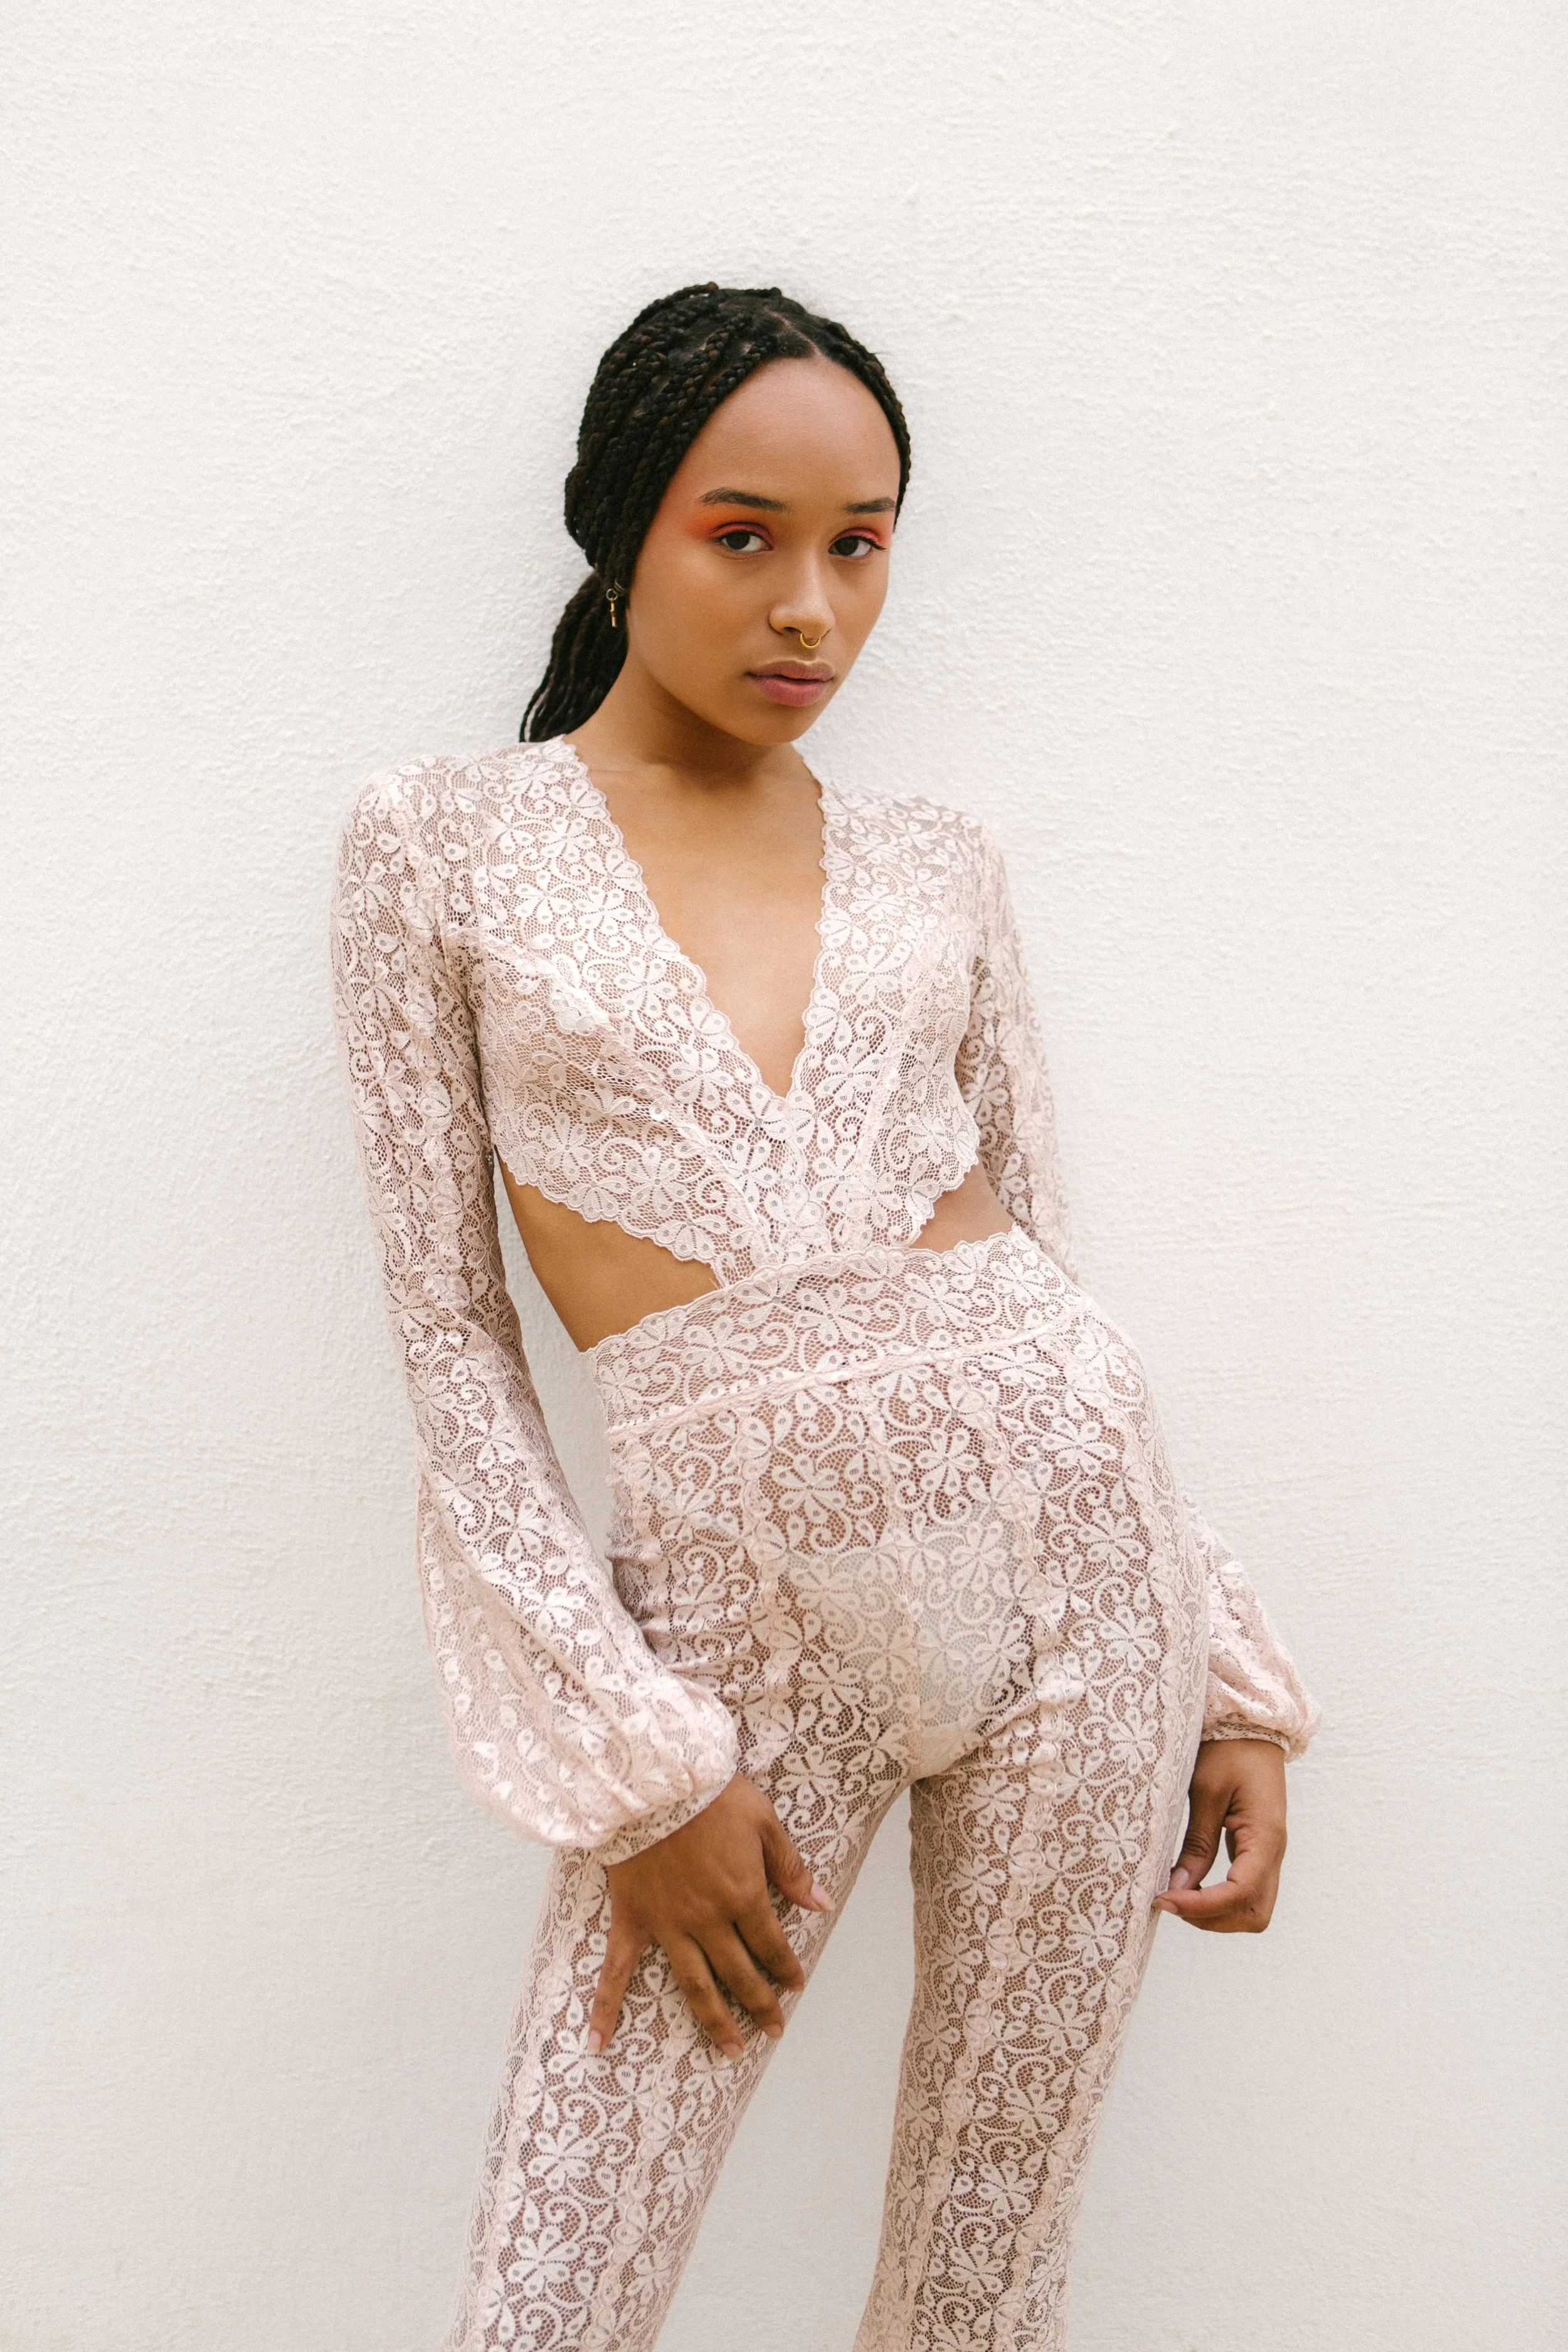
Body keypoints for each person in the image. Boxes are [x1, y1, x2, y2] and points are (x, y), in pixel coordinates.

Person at [332, 282, 1318, 2352]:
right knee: (548, 2295)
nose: (810, 606)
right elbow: (451, 1342)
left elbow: (1045, 1254)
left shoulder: (934, 861)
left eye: (859, 543)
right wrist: (633, 1764)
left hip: (1089, 1582)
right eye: (743, 535)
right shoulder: (440, 843)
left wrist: (1226, 1664)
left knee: (977, 2285)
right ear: (622, 528)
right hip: (734, 1645)